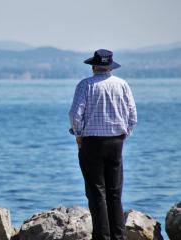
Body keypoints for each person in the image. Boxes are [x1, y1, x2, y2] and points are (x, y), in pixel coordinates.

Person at [68, 49, 137, 240]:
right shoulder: (122, 85)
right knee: (114, 193)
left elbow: (75, 115)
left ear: (93, 66)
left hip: (92, 143)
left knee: (96, 192)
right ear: (110, 66)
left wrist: (79, 135)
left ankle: (102, 237)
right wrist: (124, 135)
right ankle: (119, 236)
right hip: (116, 142)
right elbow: (133, 116)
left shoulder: (85, 85)